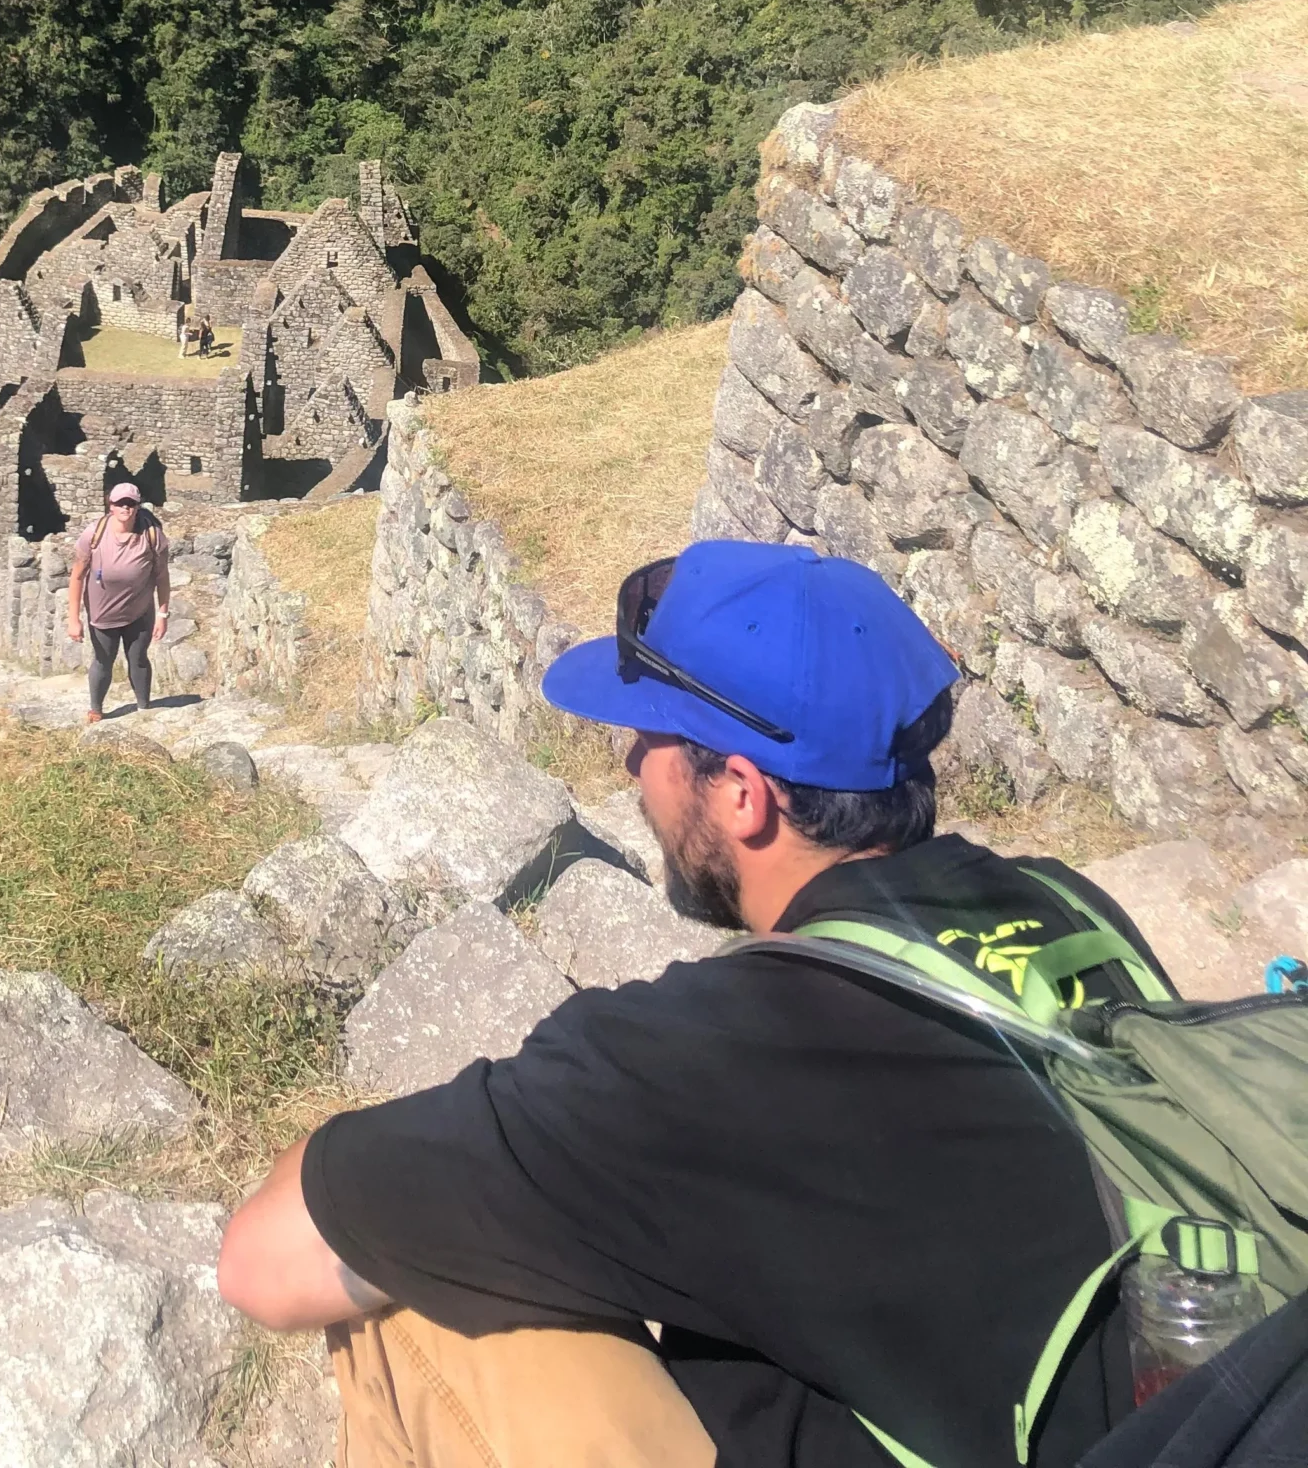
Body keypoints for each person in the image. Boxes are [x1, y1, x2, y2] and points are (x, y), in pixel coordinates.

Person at [218, 539, 1170, 1468]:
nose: (631, 763)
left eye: (654, 738)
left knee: (421, 1288)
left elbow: (264, 1260)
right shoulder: (1074, 911)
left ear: (744, 795)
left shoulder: (714, 1054)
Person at [66, 481, 170, 723]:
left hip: (140, 612)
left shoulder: (152, 535)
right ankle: (96, 710)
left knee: (139, 659)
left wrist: (163, 615)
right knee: (103, 660)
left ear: (137, 506)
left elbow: (162, 577)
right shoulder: (93, 535)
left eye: (131, 503)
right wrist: (73, 619)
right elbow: (77, 576)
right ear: (110, 505)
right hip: (102, 613)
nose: (126, 508)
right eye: (120, 503)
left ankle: (144, 709)